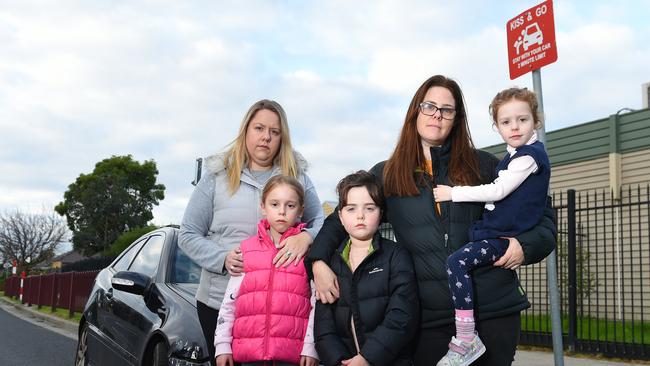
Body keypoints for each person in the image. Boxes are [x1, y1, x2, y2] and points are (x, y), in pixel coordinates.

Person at [307, 75, 557, 366]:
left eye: (446, 109)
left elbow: (543, 218)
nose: (437, 115)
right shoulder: (388, 174)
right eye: (429, 106)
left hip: (493, 311)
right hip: (429, 318)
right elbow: (341, 218)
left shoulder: (486, 166)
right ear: (416, 110)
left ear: (456, 118)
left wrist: (524, 245)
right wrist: (317, 262)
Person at [179, 99, 324, 364]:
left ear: (282, 138)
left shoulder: (297, 177)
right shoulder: (216, 177)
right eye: (259, 128)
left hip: (283, 311)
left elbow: (322, 223)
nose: (266, 137)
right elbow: (187, 234)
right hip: (220, 302)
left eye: (275, 132)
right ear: (246, 130)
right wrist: (222, 259)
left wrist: (307, 237)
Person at [431, 87, 550, 366]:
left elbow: (497, 191)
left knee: (457, 262)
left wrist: (453, 193)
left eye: (522, 119)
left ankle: (466, 337)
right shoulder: (515, 156)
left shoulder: (527, 157)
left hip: (503, 236)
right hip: (497, 233)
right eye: (506, 122)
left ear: (536, 121)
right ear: (496, 127)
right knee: (460, 261)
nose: (515, 127)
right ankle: (466, 335)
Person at [314, 171, 418, 366]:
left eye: (369, 208)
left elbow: (402, 316)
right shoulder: (331, 265)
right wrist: (339, 361)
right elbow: (323, 327)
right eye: (351, 209)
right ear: (341, 216)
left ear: (381, 213)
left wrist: (367, 358)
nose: (360, 215)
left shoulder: (396, 256)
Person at [214, 175, 319, 366]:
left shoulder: (308, 254)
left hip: (292, 356)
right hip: (249, 356)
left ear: (301, 210)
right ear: (263, 207)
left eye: (290, 205)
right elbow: (229, 303)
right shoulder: (246, 250)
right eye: (274, 204)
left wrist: (311, 346)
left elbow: (316, 305)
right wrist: (222, 345)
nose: (282, 211)